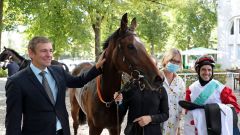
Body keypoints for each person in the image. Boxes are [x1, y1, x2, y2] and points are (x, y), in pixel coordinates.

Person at [5, 36, 105, 135]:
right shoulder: (16, 82)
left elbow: (79, 81)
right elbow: (13, 122)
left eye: (51, 51)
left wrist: (96, 67)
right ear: (31, 53)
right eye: (44, 51)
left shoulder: (59, 71)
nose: (49, 55)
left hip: (63, 131)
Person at [183, 54, 240, 135]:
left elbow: (235, 109)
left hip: (216, 128)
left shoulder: (221, 88)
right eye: (203, 69)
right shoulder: (191, 89)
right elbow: (188, 112)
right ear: (198, 71)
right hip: (197, 128)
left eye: (209, 70)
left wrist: (215, 109)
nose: (207, 73)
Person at [114, 58, 169, 135]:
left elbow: (165, 115)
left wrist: (150, 118)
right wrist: (118, 101)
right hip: (132, 132)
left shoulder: (161, 90)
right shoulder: (131, 86)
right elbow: (121, 112)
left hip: (153, 132)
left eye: (152, 66)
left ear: (156, 69)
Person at [160, 48, 186, 135]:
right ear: (165, 60)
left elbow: (181, 106)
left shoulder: (180, 82)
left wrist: (179, 128)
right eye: (172, 60)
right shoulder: (156, 78)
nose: (174, 63)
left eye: (177, 61)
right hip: (156, 124)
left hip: (173, 126)